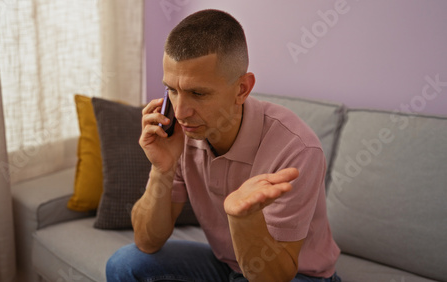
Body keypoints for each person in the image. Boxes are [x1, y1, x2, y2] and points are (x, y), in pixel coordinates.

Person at [106, 9, 341, 282]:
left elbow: (275, 277)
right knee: (125, 264)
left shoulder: (296, 150)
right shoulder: (183, 136)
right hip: (227, 265)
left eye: (198, 93)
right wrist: (162, 168)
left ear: (242, 89)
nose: (180, 112)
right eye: (172, 90)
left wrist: (244, 220)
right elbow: (147, 242)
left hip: (296, 276)